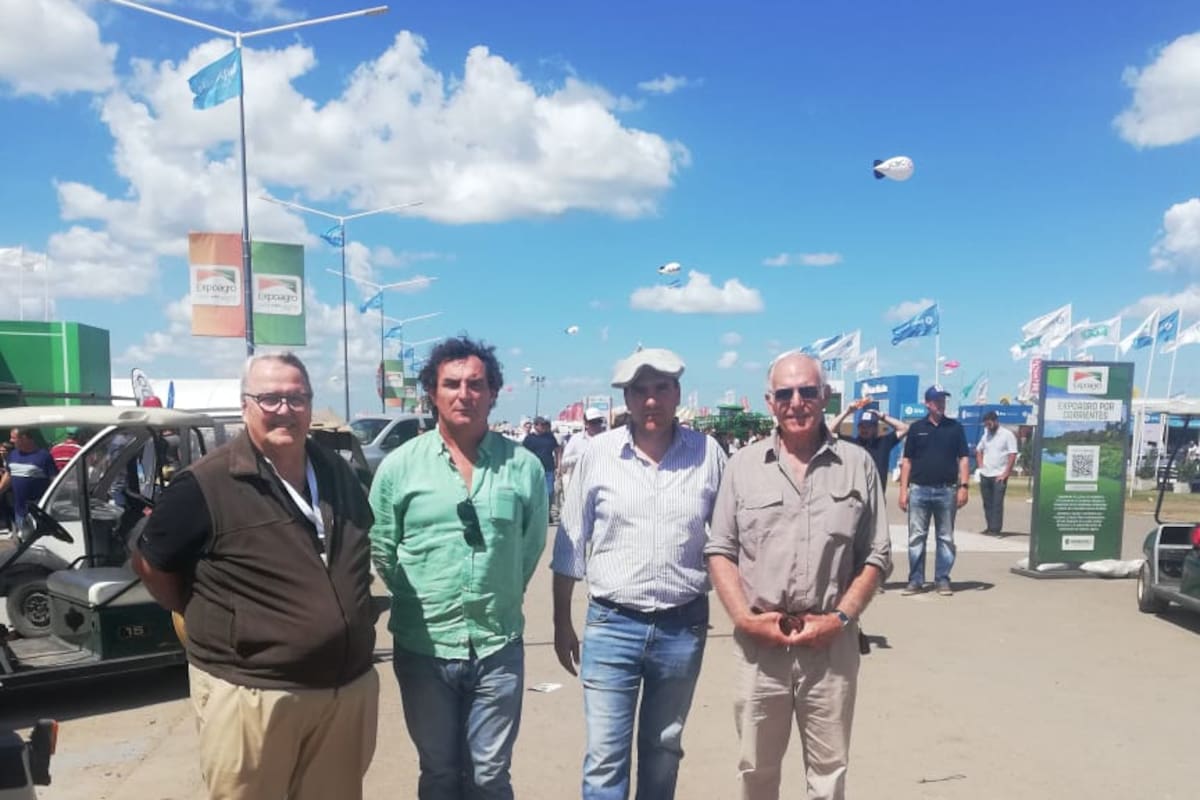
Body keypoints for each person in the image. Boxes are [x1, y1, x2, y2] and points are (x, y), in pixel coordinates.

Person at [132, 353, 379, 800]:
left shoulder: (336, 471)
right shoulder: (204, 484)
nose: (284, 409)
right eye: (270, 398)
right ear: (246, 405)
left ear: (310, 403)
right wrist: (208, 615)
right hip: (253, 695)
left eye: (296, 397)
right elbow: (152, 564)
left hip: (344, 691)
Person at [369, 336, 548, 800]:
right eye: (451, 384)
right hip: (424, 645)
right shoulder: (399, 468)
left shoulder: (522, 467)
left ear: (493, 393)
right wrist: (423, 595)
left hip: (497, 645)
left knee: (489, 775)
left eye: (476, 384)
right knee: (440, 773)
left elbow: (529, 549)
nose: (464, 394)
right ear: (432, 392)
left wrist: (498, 590)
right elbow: (383, 548)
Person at [706, 351, 890, 800]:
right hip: (760, 645)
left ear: (825, 397)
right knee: (756, 770)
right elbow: (720, 550)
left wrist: (840, 619)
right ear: (770, 402)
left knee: (828, 774)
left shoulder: (857, 464)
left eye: (807, 391)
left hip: (831, 647)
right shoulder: (743, 466)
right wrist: (744, 619)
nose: (796, 402)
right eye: (785, 393)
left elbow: (877, 555)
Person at [551, 347, 727, 800]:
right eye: (640, 392)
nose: (652, 401)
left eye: (661, 390)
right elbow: (570, 540)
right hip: (612, 626)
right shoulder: (599, 454)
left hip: (681, 626)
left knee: (663, 747)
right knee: (605, 758)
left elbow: (731, 538)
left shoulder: (708, 454)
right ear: (626, 399)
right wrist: (560, 622)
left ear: (677, 394)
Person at [897, 385, 970, 596]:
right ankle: (916, 580)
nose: (941, 404)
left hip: (946, 490)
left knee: (946, 537)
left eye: (943, 400)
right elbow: (907, 461)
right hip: (919, 490)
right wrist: (903, 490)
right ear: (927, 404)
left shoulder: (955, 428)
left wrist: (964, 486)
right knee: (916, 537)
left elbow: (964, 458)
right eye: (937, 400)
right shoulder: (917, 428)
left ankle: (942, 579)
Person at [829, 396, 910, 493]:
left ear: (875, 428)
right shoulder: (851, 443)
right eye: (862, 426)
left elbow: (904, 428)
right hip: (855, 496)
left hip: (877, 496)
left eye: (868, 426)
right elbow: (830, 430)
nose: (864, 429)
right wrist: (847, 411)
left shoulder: (884, 442)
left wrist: (882, 417)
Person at [976, 410, 1018, 535]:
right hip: (986, 474)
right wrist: (980, 466)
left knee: (997, 503)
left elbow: (1012, 454)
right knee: (987, 502)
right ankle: (989, 527)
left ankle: (995, 529)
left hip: (999, 475)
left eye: (989, 424)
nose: (987, 427)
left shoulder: (1007, 435)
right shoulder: (986, 435)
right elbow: (978, 450)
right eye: (986, 425)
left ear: (995, 421)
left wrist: (1006, 473)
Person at [6, 428, 58, 529]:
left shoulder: (44, 456)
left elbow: (54, 479)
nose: (11, 441)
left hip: (38, 508)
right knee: (23, 537)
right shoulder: (13, 455)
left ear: (24, 438)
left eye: (13, 438)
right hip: (19, 509)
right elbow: (8, 475)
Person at [559, 407, 606, 493]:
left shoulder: (606, 439)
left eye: (599, 421)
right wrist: (581, 457)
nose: (596, 425)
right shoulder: (576, 439)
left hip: (601, 485)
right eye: (593, 422)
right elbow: (564, 462)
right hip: (580, 486)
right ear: (586, 424)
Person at [522, 416, 560, 505]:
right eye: (541, 424)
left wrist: (558, 466)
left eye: (545, 424)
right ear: (535, 426)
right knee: (533, 492)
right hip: (533, 470)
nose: (544, 426)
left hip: (548, 470)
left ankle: (547, 512)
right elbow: (523, 453)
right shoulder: (529, 438)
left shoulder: (550, 437)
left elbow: (558, 450)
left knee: (549, 492)